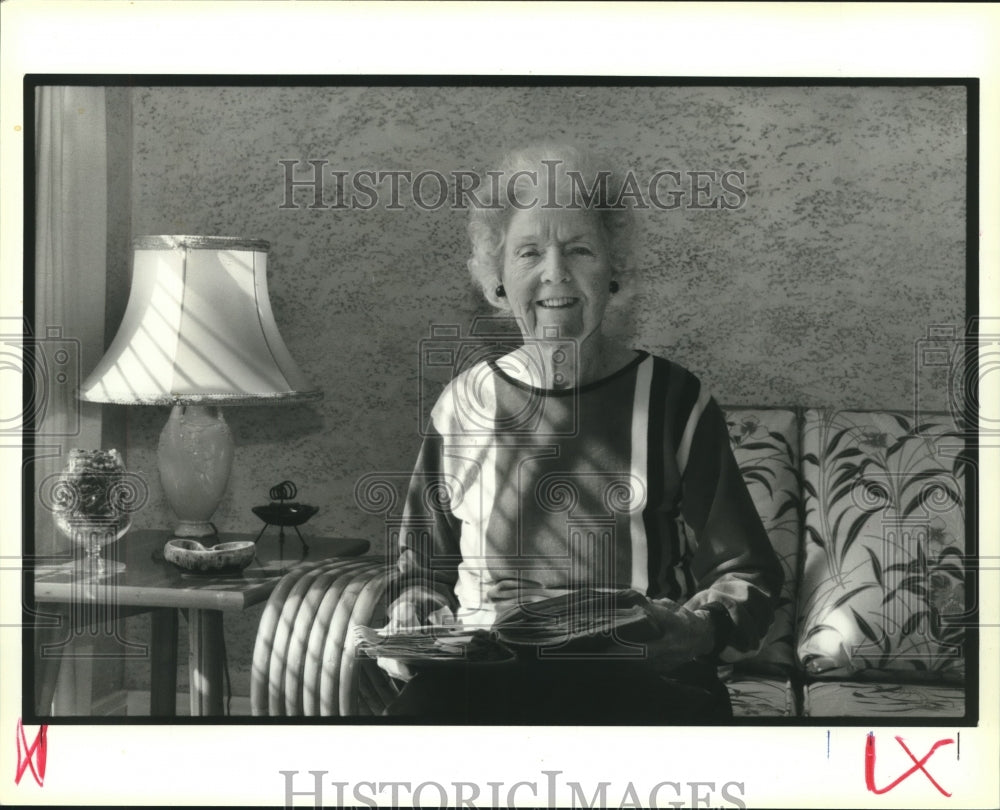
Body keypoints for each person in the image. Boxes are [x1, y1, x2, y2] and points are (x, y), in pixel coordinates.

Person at [378, 143, 783, 723]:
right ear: (496, 279)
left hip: (637, 677)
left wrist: (695, 629)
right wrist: (415, 613)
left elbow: (747, 572)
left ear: (614, 270)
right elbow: (422, 568)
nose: (555, 274)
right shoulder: (462, 404)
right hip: (484, 679)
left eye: (580, 250)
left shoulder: (675, 401)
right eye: (528, 253)